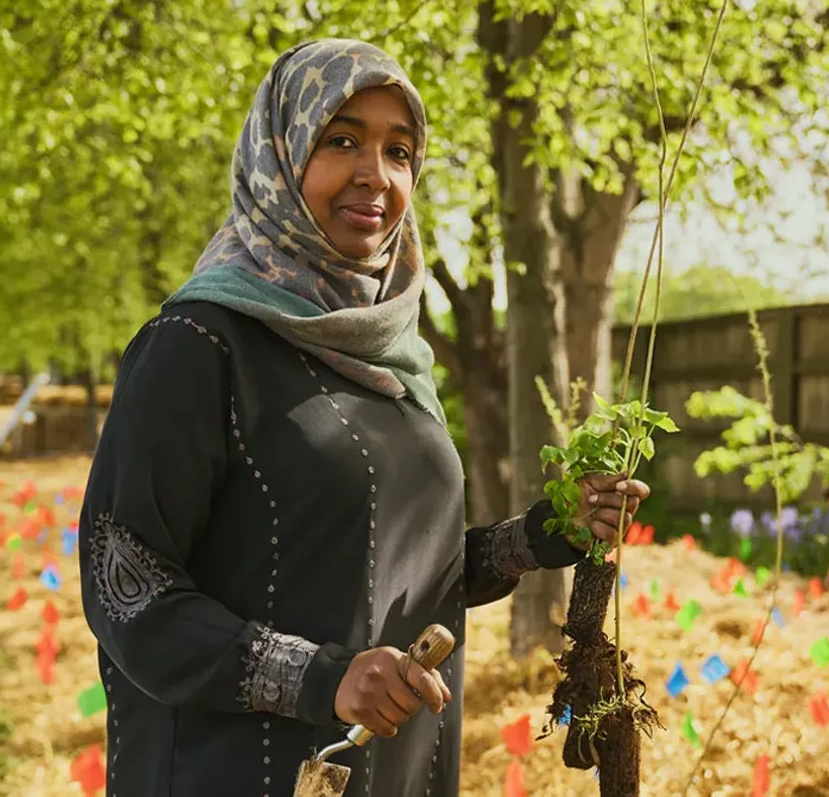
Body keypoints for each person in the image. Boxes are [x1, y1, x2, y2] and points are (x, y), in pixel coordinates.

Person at [77, 39, 651, 797]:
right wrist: (323, 678)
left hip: (396, 772)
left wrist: (541, 536)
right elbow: (128, 587)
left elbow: (398, 571)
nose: (374, 174)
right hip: (235, 771)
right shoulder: (198, 345)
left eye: (400, 150)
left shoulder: (392, 356)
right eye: (341, 139)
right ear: (279, 154)